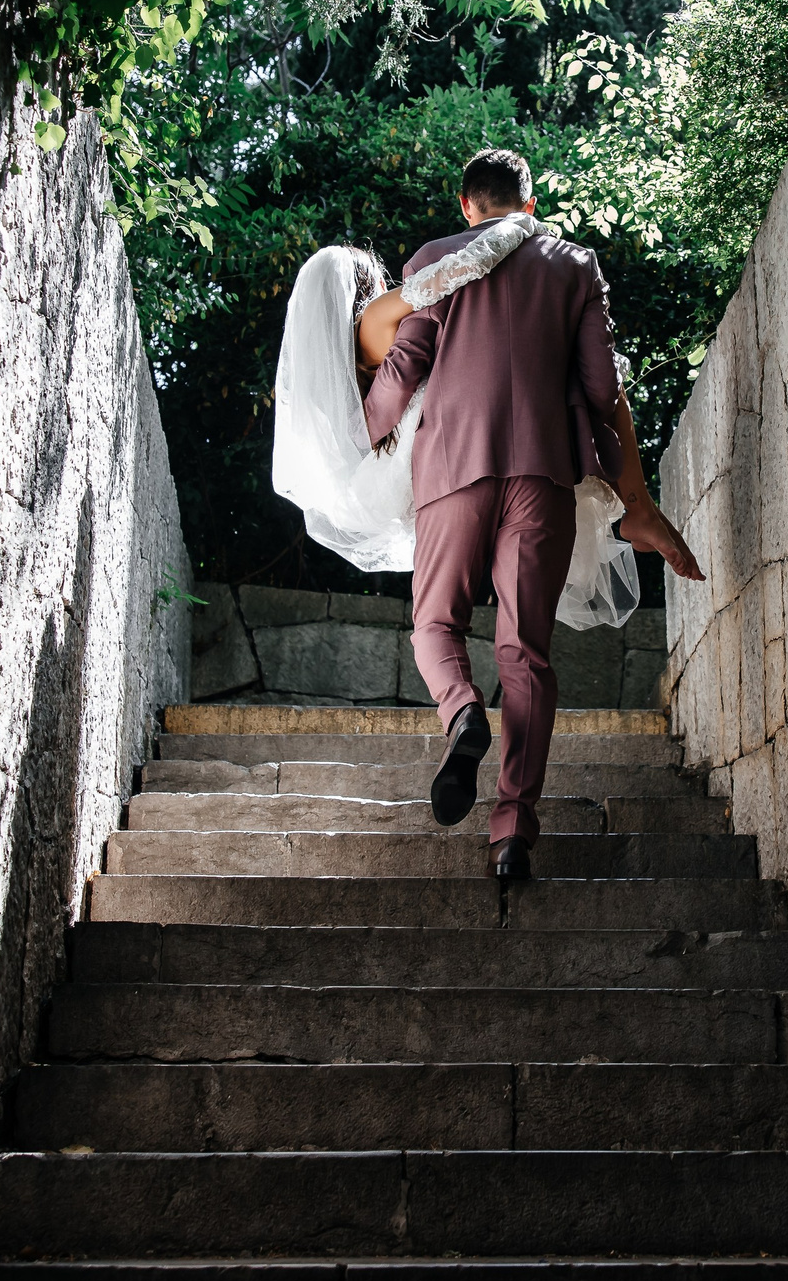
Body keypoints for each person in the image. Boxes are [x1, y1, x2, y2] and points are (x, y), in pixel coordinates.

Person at [271, 148, 702, 878]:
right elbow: (603, 390)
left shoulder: (436, 260)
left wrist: (358, 439)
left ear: (467, 206)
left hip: (451, 472)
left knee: (435, 624)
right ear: (527, 206)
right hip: (544, 476)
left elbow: (403, 373)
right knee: (526, 652)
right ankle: (512, 831)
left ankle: (463, 712)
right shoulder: (574, 264)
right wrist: (631, 499)